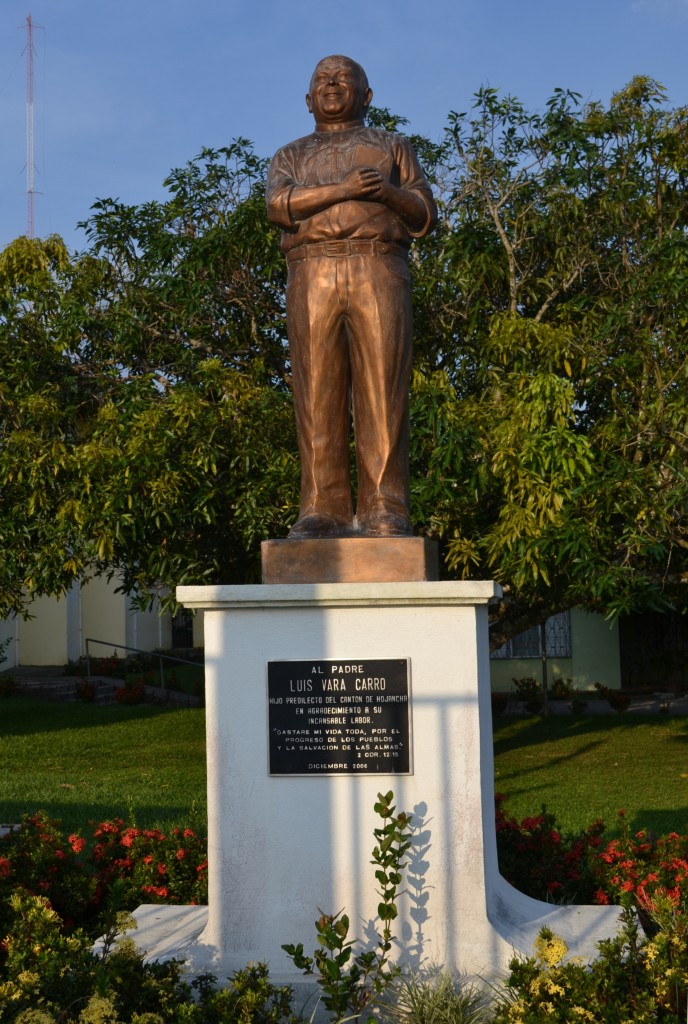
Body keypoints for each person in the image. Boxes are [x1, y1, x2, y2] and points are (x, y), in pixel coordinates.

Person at [267, 55, 437, 538]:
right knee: (316, 389)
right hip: (311, 268)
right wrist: (342, 189)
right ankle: (322, 506)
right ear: (308, 100)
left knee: (383, 388)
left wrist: (385, 192)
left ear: (367, 95)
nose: (332, 83)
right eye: (322, 78)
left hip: (377, 264)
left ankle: (385, 505)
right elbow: (278, 206)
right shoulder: (290, 155)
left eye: (343, 77)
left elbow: (424, 213)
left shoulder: (392, 146)